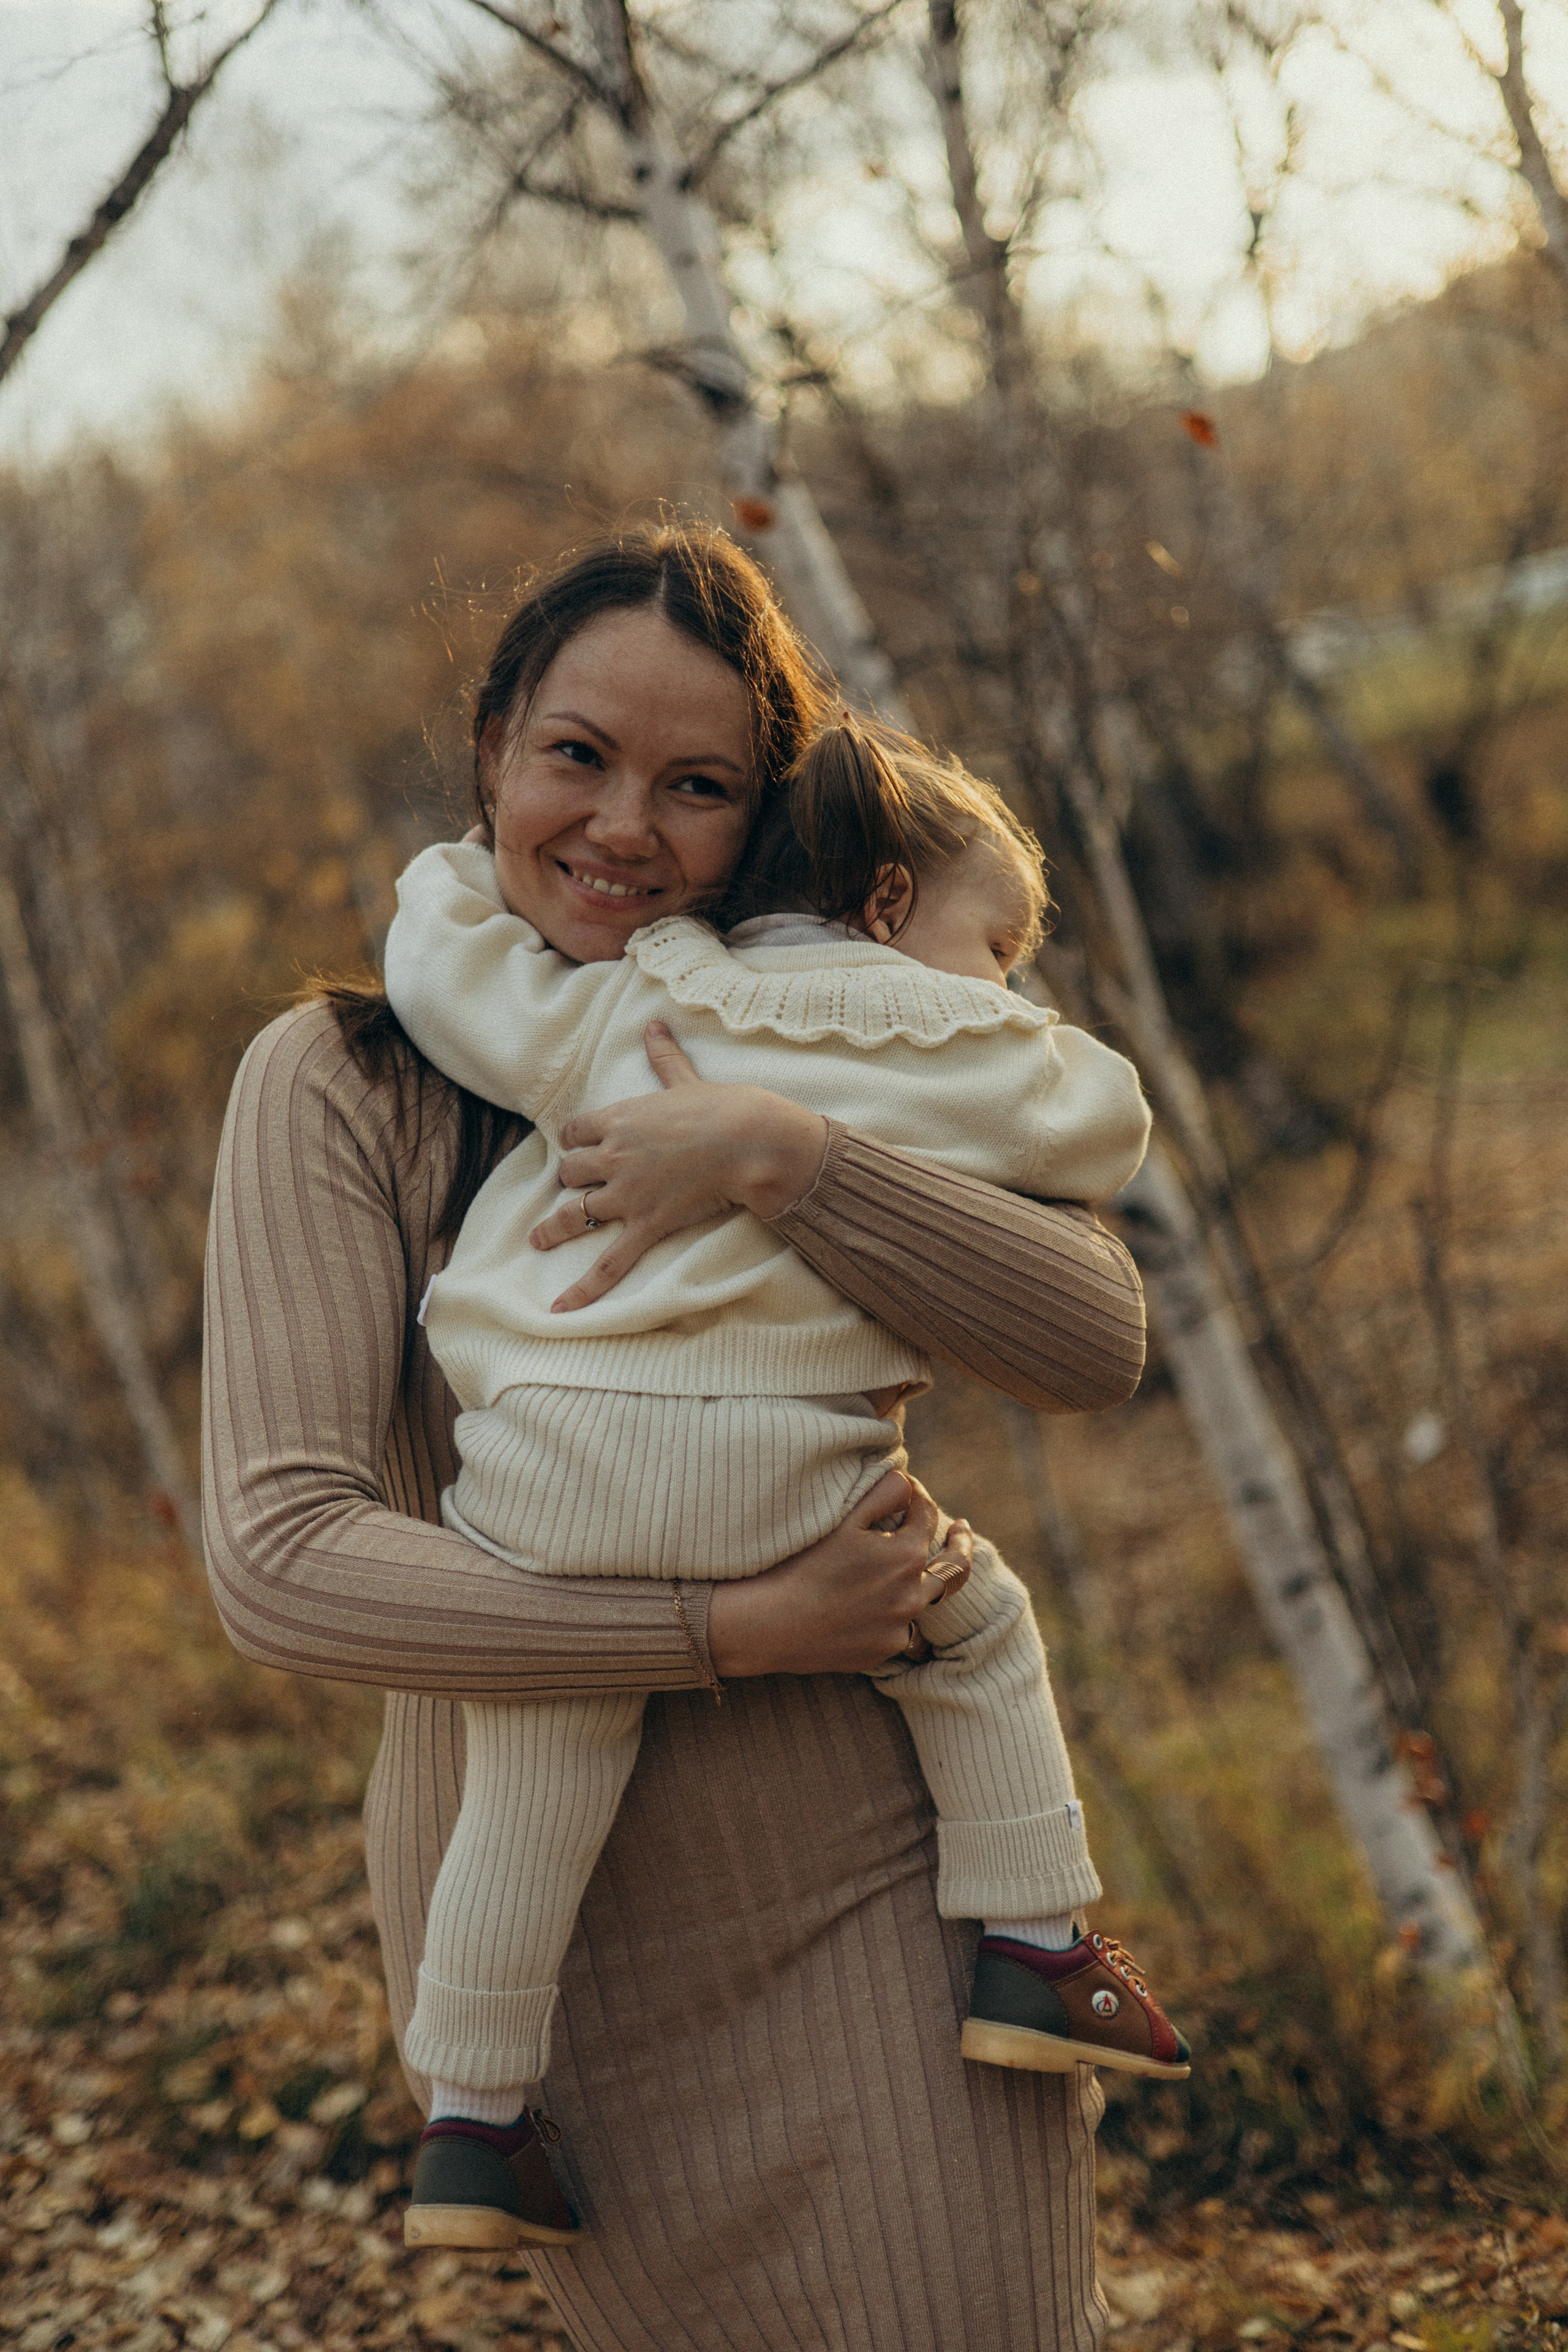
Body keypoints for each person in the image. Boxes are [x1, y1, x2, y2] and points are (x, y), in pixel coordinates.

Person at [203, 522, 1156, 2352]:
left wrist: (790, 1159)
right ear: (495, 747)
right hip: (549, 1946)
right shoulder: (341, 1085)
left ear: (767, 820)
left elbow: (1091, 1338)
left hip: (879, 1883)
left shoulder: (817, 1036)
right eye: (577, 755)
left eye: (697, 785)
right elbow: (282, 1561)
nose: (624, 826)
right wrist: (719, 1631)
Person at [379, 714, 1187, 2249]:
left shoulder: (629, 996)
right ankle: (1034, 1945)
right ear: (887, 903)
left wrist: (457, 868)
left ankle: (471, 2122)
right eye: (997, 943)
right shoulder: (964, 1045)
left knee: (528, 1782)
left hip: (542, 1475)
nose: (1001, 979)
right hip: (779, 1476)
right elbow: (1104, 1127)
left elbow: (445, 978)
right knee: (968, 1620)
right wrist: (1002, 1042)